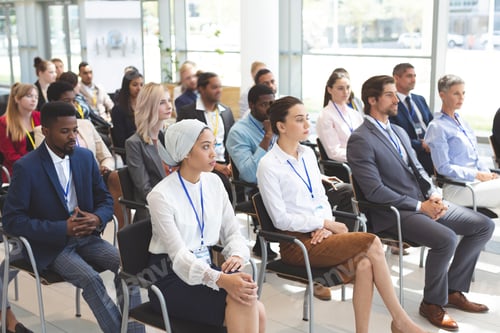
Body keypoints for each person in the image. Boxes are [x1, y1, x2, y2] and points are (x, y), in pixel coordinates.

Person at [257, 96, 427, 333]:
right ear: (281, 126)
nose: (307, 124)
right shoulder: (268, 165)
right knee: (372, 241)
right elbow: (280, 219)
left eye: (307, 118)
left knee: (366, 265)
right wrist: (325, 223)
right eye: (299, 119)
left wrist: (325, 226)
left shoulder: (307, 154)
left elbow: (321, 199)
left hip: (321, 236)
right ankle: (400, 321)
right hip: (296, 245)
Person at [347, 75, 494, 331]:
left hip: (423, 202)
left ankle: (452, 290)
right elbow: (373, 191)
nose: (397, 100)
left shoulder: (399, 131)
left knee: (483, 225)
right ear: (372, 100)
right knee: (446, 238)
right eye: (390, 95)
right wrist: (419, 206)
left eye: (395, 94)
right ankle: (432, 303)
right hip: (394, 211)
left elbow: (419, 169)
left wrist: (433, 193)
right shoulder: (361, 138)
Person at [1, 101, 144, 333]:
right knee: (91, 279)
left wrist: (97, 219)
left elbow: (106, 200)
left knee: (128, 268)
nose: (72, 136)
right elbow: (12, 221)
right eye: (64, 131)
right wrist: (61, 228)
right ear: (45, 131)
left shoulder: (85, 158)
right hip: (53, 245)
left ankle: (134, 330)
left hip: (87, 237)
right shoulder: (27, 167)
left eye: (75, 130)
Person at [147, 119, 265, 332]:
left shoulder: (214, 182)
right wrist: (221, 279)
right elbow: (180, 257)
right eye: (205, 147)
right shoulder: (160, 195)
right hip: (169, 276)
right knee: (248, 306)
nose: (213, 154)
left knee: (258, 309)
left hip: (205, 267)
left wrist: (237, 255)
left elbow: (233, 232)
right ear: (185, 152)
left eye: (213, 145)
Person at [425, 74, 500, 210]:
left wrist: (489, 174)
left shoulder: (463, 123)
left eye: (463, 93)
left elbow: (476, 159)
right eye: (456, 93)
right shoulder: (437, 127)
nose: (462, 97)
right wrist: (477, 174)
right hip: (458, 188)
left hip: (476, 183)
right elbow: (443, 167)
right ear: (442, 95)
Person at [226, 84, 279, 260]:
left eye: (273, 103)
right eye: (265, 104)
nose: (270, 109)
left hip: (281, 179)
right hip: (254, 189)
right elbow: (249, 174)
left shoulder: (278, 124)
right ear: (251, 105)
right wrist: (267, 137)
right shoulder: (239, 132)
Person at [34, 80, 114, 174]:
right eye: (67, 101)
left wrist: (105, 168)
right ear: (53, 102)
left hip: (94, 177)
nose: (73, 105)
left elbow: (106, 156)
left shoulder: (86, 124)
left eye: (74, 101)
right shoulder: (42, 130)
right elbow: (47, 163)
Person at [177, 72, 234, 202]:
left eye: (220, 87)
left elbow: (231, 142)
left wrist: (231, 165)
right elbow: (185, 145)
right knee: (223, 186)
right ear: (201, 89)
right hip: (202, 164)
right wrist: (216, 166)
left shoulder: (226, 112)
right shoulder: (188, 112)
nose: (219, 90)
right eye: (214, 87)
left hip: (226, 164)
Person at [125, 82, 173, 221]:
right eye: (162, 102)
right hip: (154, 211)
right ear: (149, 106)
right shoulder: (134, 143)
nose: (169, 106)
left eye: (169, 101)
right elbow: (145, 189)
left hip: (175, 204)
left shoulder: (167, 136)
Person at [390, 63, 434, 175]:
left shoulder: (419, 99)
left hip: (432, 146)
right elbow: (395, 135)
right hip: (414, 151)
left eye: (415, 76)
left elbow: (432, 124)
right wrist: (422, 145)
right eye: (409, 76)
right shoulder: (392, 103)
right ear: (396, 78)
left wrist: (434, 140)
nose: (413, 79)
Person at [316, 70, 364, 162]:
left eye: (348, 87)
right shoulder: (325, 116)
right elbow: (334, 152)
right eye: (340, 88)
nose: (346, 92)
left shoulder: (355, 114)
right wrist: (360, 156)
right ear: (329, 90)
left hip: (362, 160)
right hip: (350, 163)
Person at [0, 83, 41, 182]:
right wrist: (34, 164)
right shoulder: (4, 123)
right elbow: (10, 155)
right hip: (18, 171)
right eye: (29, 96)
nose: (34, 100)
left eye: (36, 97)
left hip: (41, 167)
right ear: (17, 99)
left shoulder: (39, 117)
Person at [110, 69, 144, 153]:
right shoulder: (118, 110)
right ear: (127, 86)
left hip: (146, 146)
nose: (139, 88)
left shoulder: (145, 106)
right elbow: (121, 139)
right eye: (135, 85)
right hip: (130, 149)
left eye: (141, 85)